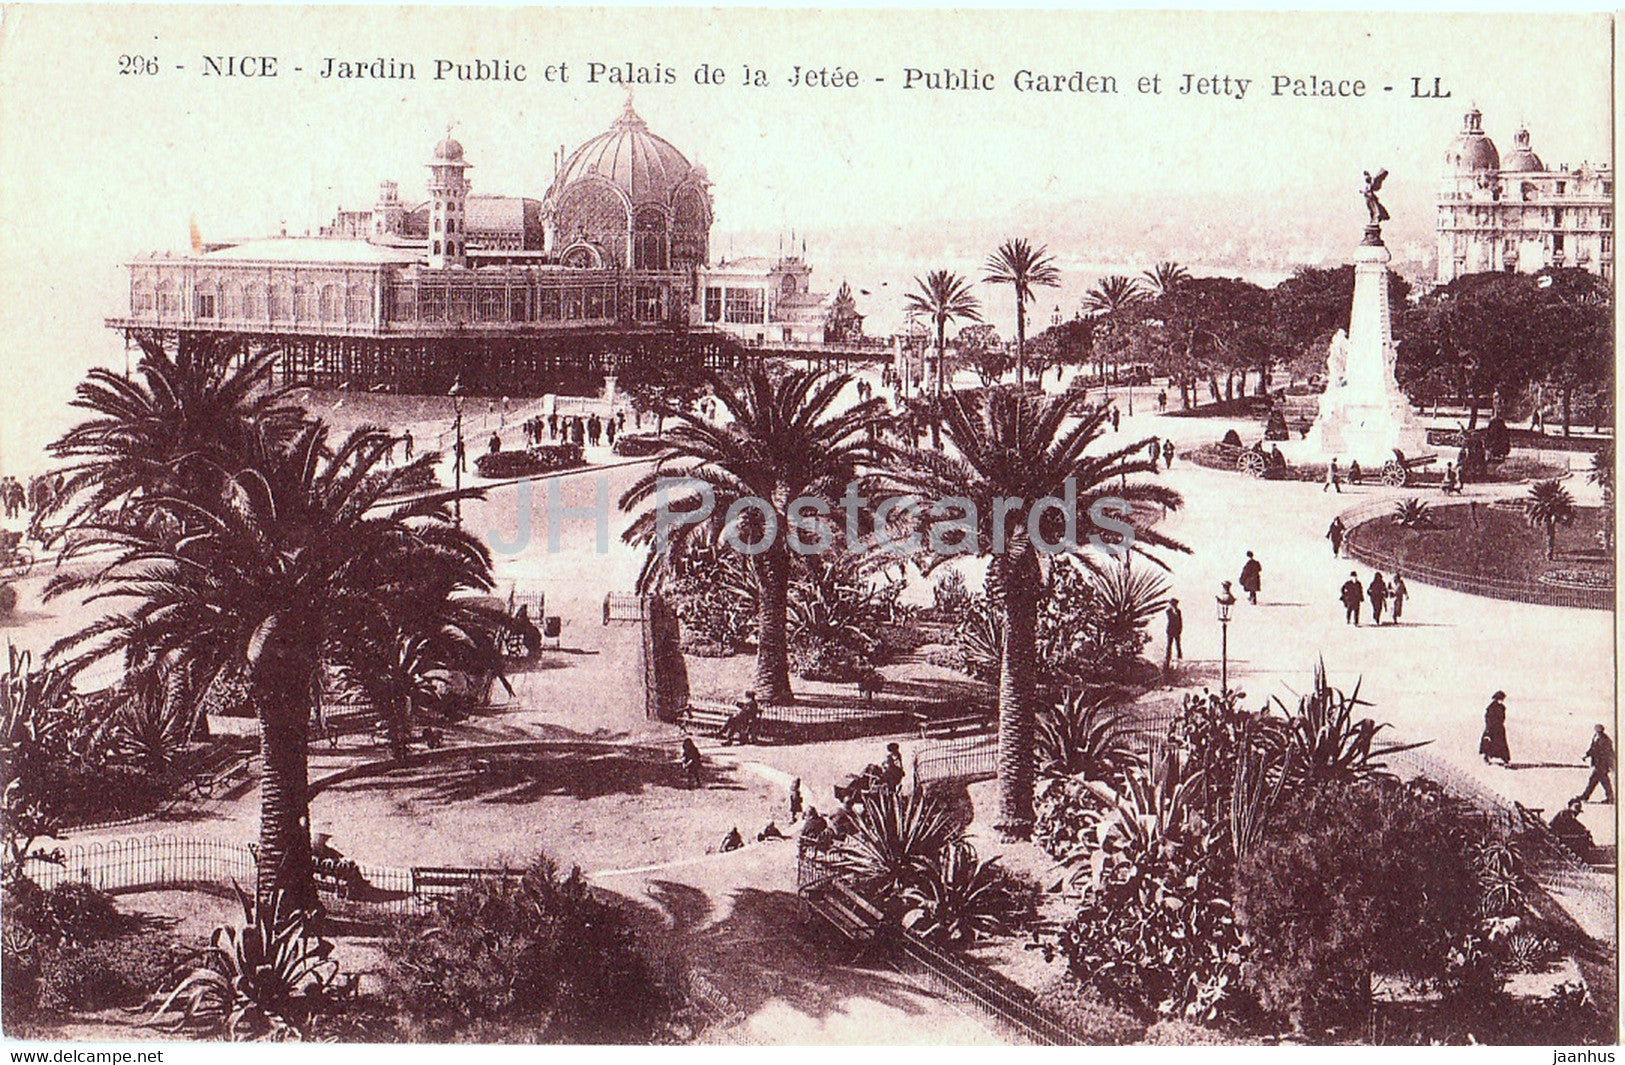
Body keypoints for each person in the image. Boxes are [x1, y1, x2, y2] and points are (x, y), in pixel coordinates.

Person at [1577, 724, 1615, 803]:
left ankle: (1586, 796)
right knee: (1600, 781)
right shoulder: (1596, 737)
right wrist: (1587, 755)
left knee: (1597, 781)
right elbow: (1593, 749)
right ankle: (1609, 797)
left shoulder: (1605, 740)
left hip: (1602, 765)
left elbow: (1608, 753)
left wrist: (1610, 765)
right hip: (1598, 764)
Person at [1479, 691, 1511, 766]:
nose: (1501, 701)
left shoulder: (1502, 707)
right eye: (1500, 699)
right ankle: (1486, 757)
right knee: (1489, 743)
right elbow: (1488, 718)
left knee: (1501, 744)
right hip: (1492, 728)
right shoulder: (1491, 707)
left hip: (1499, 728)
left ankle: (1505, 760)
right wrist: (1489, 727)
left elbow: (1503, 718)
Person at [1164, 599, 1183, 669]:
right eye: (1173, 604)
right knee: (1169, 644)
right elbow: (1171, 619)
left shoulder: (1178, 611)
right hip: (1171, 630)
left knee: (1178, 644)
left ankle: (1179, 656)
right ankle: (1168, 657)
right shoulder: (1168, 611)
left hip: (1177, 630)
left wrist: (1180, 629)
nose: (1175, 605)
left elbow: (1180, 621)